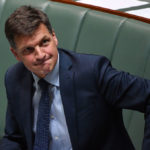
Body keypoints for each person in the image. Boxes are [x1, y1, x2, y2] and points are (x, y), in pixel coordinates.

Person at [0, 5, 150, 150]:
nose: (40, 55)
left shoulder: (93, 71)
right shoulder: (14, 78)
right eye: (29, 49)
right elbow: (15, 137)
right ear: (16, 54)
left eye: (44, 42)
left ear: (54, 37)